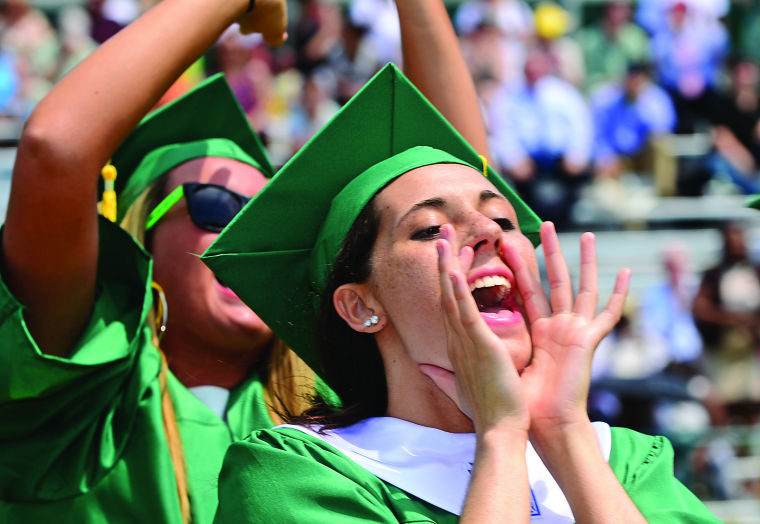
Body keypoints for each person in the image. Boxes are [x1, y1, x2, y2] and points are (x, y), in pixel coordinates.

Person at [0, 0, 488, 522]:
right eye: (217, 207)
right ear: (140, 234)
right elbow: (57, 150)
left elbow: (457, 190)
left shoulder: (337, 399)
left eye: (263, 220)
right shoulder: (77, 398)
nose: (244, 238)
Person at [206, 64, 720, 522]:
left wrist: (562, 430)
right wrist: (498, 434)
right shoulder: (301, 476)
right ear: (361, 306)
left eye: (501, 217)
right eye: (430, 229)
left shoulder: (623, 460)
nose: (488, 230)